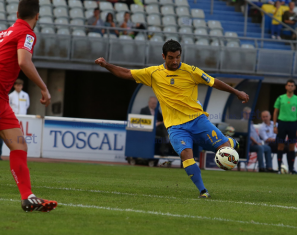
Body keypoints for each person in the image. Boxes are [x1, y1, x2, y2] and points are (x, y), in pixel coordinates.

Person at [95, 40, 249, 198]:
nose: (175, 61)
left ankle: (230, 142)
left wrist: (236, 92)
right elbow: (127, 73)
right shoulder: (154, 73)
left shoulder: (190, 70)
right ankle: (203, 191)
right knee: (186, 154)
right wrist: (107, 65)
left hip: (197, 120)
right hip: (176, 127)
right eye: (171, 58)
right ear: (163, 56)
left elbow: (213, 81)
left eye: (177, 57)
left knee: (224, 149)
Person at [0, 0, 57, 212]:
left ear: (17, 12)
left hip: (1, 100)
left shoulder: (3, 33)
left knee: (19, 145)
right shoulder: (27, 33)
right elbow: (24, 61)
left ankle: (27, 197)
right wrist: (44, 88)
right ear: (37, 16)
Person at [273, 79, 297, 174]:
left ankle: (291, 168)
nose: (290, 87)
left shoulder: (296, 99)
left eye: (292, 85)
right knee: (280, 146)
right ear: (286, 86)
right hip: (282, 123)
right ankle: (279, 168)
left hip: (293, 124)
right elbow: (275, 112)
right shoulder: (280, 98)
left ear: (294, 87)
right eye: (289, 85)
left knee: (292, 147)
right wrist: (275, 125)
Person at [242, 107, 274, 172]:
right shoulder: (243, 123)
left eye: (250, 114)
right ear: (244, 114)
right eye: (247, 114)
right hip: (249, 145)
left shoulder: (250, 122)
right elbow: (248, 135)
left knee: (268, 148)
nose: (249, 115)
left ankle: (269, 167)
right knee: (260, 148)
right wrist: (256, 142)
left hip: (256, 144)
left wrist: (258, 142)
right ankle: (261, 167)